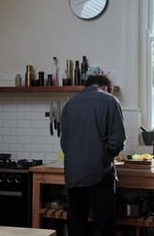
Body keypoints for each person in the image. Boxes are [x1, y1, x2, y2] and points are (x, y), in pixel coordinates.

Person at [60, 74, 126, 236]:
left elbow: (64, 143)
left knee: (76, 225)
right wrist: (107, 155)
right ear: (105, 87)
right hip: (99, 174)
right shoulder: (110, 101)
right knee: (103, 226)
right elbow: (117, 141)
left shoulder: (69, 105)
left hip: (74, 174)